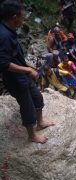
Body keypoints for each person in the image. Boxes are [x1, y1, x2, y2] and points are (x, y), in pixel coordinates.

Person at [0, 0, 54, 144]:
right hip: (15, 79)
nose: (23, 20)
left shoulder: (9, 30)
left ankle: (40, 122)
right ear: (14, 17)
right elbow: (4, 64)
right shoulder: (4, 36)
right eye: (22, 17)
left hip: (22, 75)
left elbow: (14, 56)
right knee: (27, 106)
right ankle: (32, 136)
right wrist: (28, 70)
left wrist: (27, 66)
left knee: (37, 97)